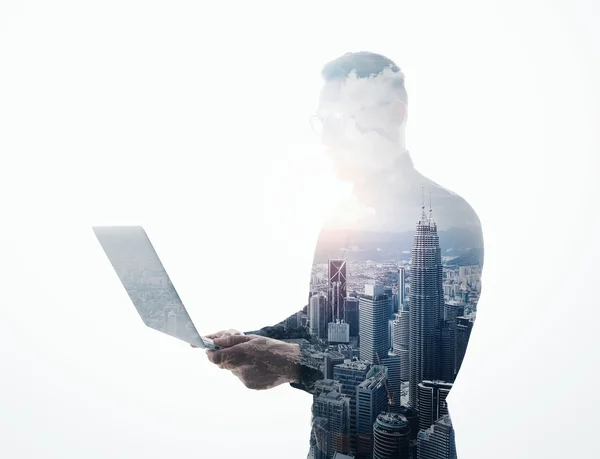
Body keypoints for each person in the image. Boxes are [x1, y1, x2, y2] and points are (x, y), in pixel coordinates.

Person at [197, 52, 484, 459]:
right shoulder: (342, 218)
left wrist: (295, 362)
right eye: (322, 122)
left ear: (391, 116)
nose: (327, 137)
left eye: (338, 120)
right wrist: (251, 341)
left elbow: (427, 381)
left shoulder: (446, 215)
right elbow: (322, 319)